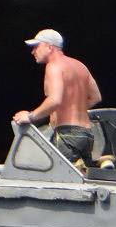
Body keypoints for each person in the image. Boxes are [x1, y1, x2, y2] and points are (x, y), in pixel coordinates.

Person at [12, 29, 102, 167]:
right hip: (86, 134)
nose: (33, 51)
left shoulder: (53, 67)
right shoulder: (80, 66)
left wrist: (30, 116)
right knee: (81, 179)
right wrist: (73, 108)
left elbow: (54, 100)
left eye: (36, 46)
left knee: (59, 180)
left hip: (67, 135)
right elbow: (96, 97)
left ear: (49, 47)